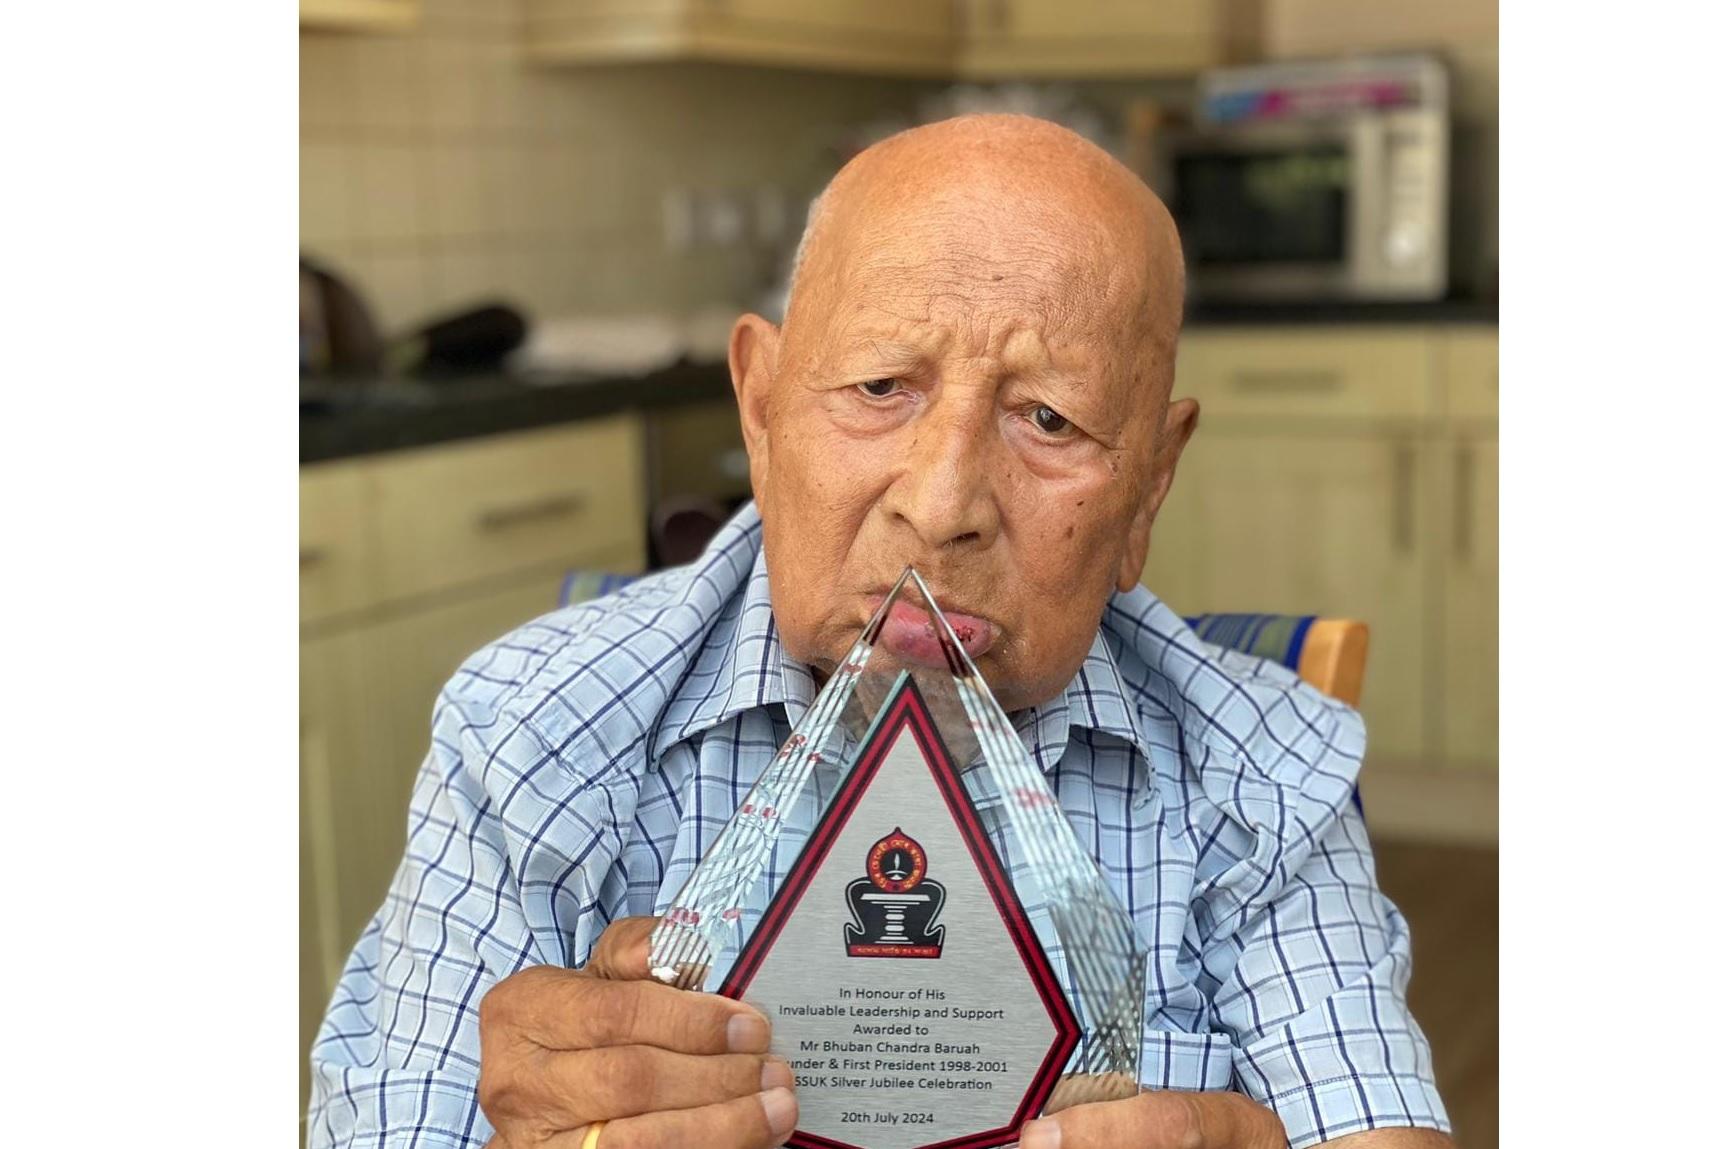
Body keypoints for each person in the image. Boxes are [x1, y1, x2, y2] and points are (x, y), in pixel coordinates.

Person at [308, 114, 1454, 1149]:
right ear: (760, 408)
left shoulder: (1261, 773)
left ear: (1148, 486)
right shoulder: (526, 734)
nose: (941, 505)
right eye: (877, 388)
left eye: (1048, 419)